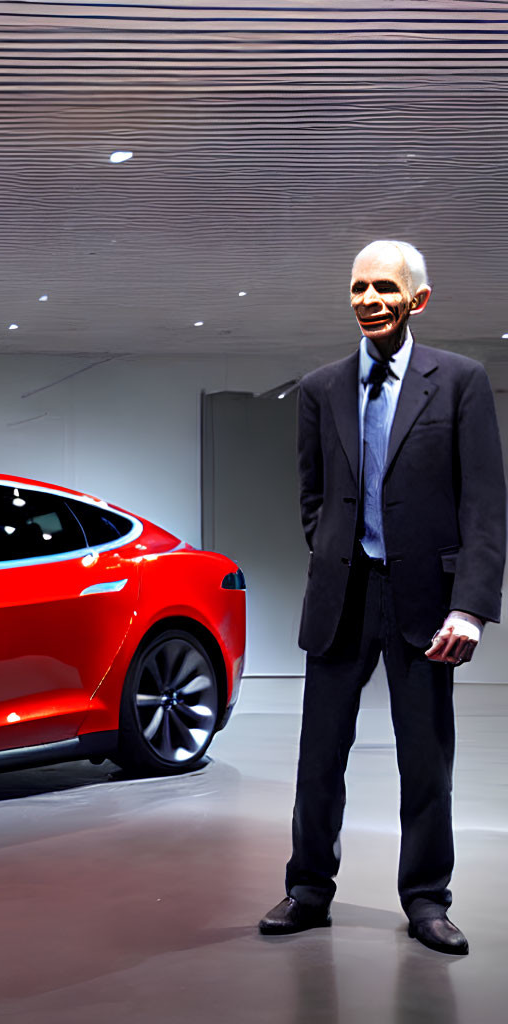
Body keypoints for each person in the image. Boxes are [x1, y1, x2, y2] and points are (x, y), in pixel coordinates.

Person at [259, 240, 506, 955]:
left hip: (428, 600)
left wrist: (470, 605)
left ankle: (427, 899)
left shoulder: (459, 381)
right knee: (318, 756)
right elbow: (311, 497)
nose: (368, 299)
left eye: (384, 289)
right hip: (343, 593)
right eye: (358, 287)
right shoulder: (319, 387)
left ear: (417, 300)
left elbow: (486, 503)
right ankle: (308, 889)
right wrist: (335, 544)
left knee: (426, 757)